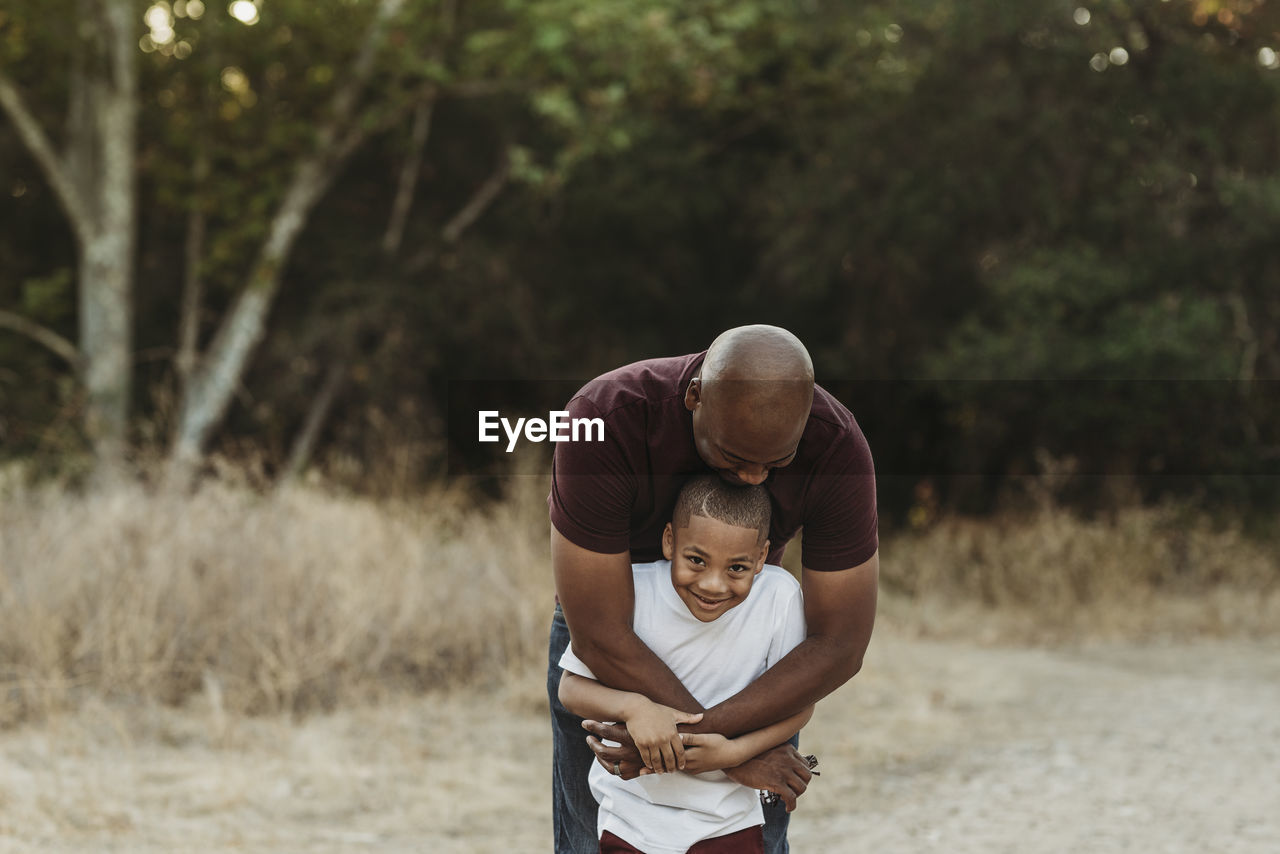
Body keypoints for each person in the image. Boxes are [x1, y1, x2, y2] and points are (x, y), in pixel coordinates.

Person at [548, 324, 879, 854]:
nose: (753, 478)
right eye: (734, 455)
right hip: (615, 652)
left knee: (752, 839)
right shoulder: (603, 417)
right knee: (595, 836)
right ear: (694, 395)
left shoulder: (835, 445)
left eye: (775, 464)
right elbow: (598, 632)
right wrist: (734, 754)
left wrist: (709, 748)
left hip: (747, 655)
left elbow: (840, 643)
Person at [558, 476, 812, 854]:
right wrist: (635, 707)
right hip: (632, 817)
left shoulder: (780, 598)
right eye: (696, 560)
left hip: (728, 820)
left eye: (737, 568)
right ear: (669, 541)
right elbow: (570, 688)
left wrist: (734, 755)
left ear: (761, 557)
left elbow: (799, 704)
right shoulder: (633, 590)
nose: (713, 584)